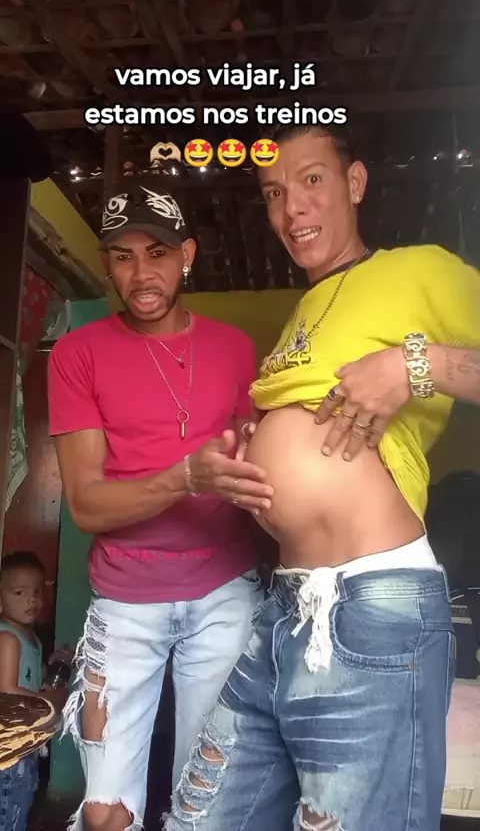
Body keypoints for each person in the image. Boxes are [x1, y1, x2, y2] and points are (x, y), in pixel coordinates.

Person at [163, 124, 480, 831]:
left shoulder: (419, 271)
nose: (292, 207)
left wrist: (414, 366)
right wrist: (252, 455)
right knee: (198, 818)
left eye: (312, 180)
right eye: (275, 192)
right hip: (284, 607)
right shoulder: (304, 311)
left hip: (370, 607)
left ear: (354, 183)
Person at [47, 187, 276, 831]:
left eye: (157, 253)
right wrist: (185, 476)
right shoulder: (76, 354)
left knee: (206, 805)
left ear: (187, 255)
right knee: (106, 812)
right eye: (122, 257)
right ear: (106, 263)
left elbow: (252, 461)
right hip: (125, 600)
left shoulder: (235, 348)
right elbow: (87, 505)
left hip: (225, 594)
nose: (140, 273)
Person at [0, 551, 65, 831]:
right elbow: (7, 691)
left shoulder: (30, 637)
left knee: (20, 804)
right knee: (9, 812)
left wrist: (51, 668)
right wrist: (50, 701)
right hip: (8, 749)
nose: (32, 600)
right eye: (19, 592)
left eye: (38, 591)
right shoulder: (7, 638)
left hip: (23, 741)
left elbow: (27, 681)